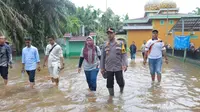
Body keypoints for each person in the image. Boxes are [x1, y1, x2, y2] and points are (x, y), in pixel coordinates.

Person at [100, 28, 128, 97]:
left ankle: (121, 91)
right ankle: (111, 97)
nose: (109, 35)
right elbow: (102, 57)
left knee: (120, 81)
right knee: (109, 83)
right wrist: (102, 68)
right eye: (108, 33)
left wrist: (125, 64)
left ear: (114, 34)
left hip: (118, 67)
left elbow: (124, 54)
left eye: (111, 33)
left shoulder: (120, 43)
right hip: (108, 68)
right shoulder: (105, 45)